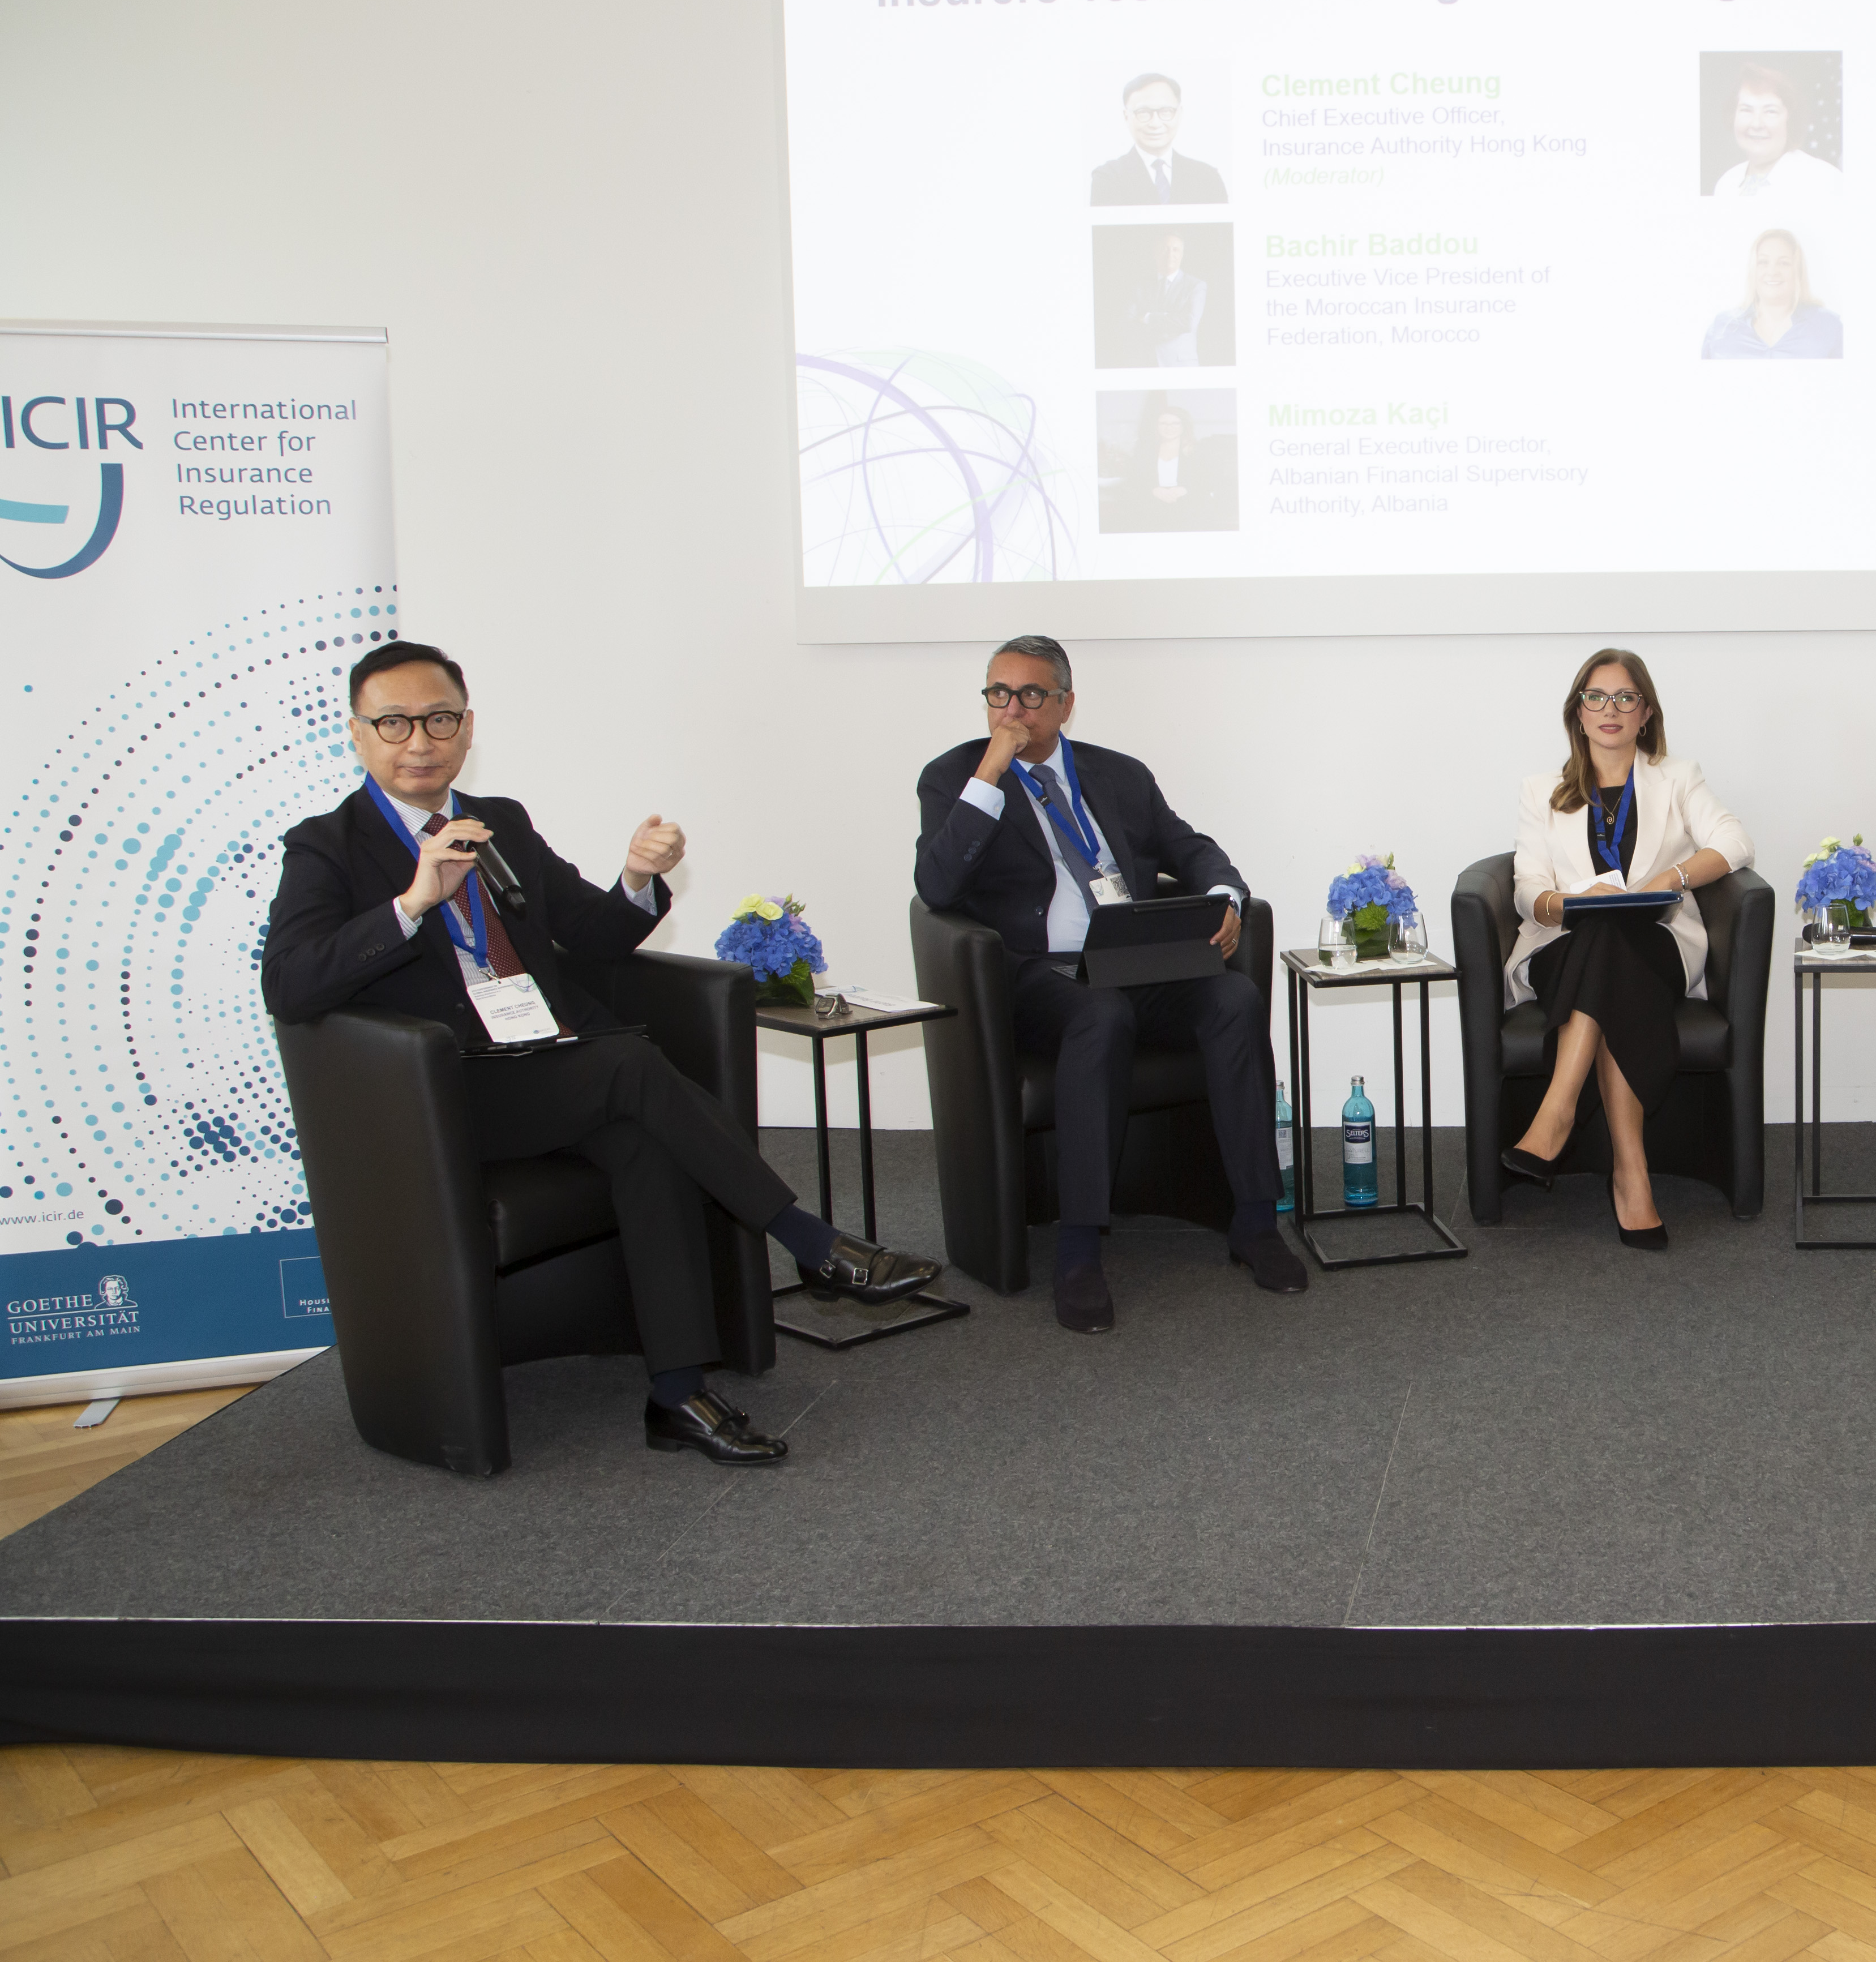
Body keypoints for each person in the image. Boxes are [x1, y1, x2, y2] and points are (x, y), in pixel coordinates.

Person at [261, 641, 941, 1467]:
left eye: (439, 720)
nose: (420, 742)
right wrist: (412, 902)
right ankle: (809, 1241)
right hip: (443, 1093)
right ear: (358, 733)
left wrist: (636, 878)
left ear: (468, 727)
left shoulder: (499, 823)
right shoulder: (327, 845)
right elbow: (290, 984)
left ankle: (677, 1393)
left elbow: (593, 935)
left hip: (546, 1066)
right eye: (394, 723)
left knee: (642, 1143)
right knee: (628, 1066)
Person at [912, 635, 1301, 1331]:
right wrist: (991, 772)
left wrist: (1227, 898)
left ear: (1065, 704)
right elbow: (936, 886)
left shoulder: (1119, 775)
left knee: (1233, 998)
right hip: (1038, 974)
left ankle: (1254, 1220)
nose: (1011, 710)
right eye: (998, 693)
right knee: (1102, 1016)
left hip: (1128, 960)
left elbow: (1191, 848)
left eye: (1031, 695)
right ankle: (1079, 1249)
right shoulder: (953, 778)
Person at [1500, 650, 1755, 1248]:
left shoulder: (1678, 777)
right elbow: (1526, 888)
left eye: (1625, 697)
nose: (1609, 709)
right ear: (1578, 713)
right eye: (1595, 697)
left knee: (1616, 938)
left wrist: (1672, 879)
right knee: (1602, 934)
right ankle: (1631, 1174)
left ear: (1646, 713)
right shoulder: (1541, 791)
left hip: (1658, 942)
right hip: (1567, 943)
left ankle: (1558, 1112)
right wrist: (1569, 903)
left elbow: (1735, 842)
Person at [1701, 230, 1843, 360]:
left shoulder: (1829, 327)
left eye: (1784, 263)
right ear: (1753, 270)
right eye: (1763, 262)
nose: (1772, 271)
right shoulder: (1722, 328)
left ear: (1798, 271)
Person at [1089, 71, 1229, 204]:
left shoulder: (1207, 177)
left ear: (1180, 114)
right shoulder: (1108, 178)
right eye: (1143, 112)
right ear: (1127, 117)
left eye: (1166, 111)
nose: (1155, 124)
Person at [1705, 63, 1841, 199]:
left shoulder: (1824, 180)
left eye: (1771, 112)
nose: (1757, 124)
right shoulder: (1726, 183)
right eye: (1746, 110)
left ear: (1790, 120)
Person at [1109, 399, 1224, 529]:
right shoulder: (1144, 451)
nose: (1169, 428)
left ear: (1184, 426)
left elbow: (1209, 481)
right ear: (1157, 426)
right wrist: (1153, 490)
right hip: (1151, 507)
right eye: (1164, 423)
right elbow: (1134, 480)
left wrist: (1185, 490)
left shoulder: (1198, 450)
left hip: (1188, 507)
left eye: (1175, 423)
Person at [1138, 233, 1208, 365]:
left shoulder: (1196, 286)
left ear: (1182, 255)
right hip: (1146, 363)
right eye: (1165, 249)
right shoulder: (1141, 286)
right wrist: (1171, 319)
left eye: (1176, 250)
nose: (1170, 254)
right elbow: (1130, 320)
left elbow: (1189, 322)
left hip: (1181, 365)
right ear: (1156, 253)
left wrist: (1149, 318)